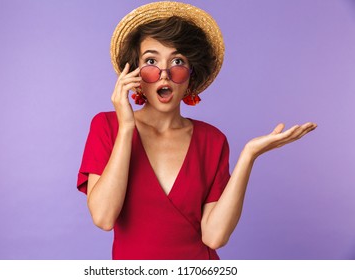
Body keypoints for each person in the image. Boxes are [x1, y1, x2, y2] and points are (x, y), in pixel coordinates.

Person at [77, 2, 317, 260]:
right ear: (134, 73)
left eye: (177, 61)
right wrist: (127, 127)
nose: (164, 74)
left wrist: (248, 156)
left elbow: (214, 237)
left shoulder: (211, 140)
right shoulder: (107, 126)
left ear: (191, 75)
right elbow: (103, 217)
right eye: (151, 61)